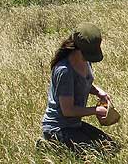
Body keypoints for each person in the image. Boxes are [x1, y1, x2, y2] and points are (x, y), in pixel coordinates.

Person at [40, 22, 118, 155]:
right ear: (78, 48)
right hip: (58, 128)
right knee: (96, 155)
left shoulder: (85, 60)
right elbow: (68, 111)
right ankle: (49, 144)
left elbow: (83, 82)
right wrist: (96, 110)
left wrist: (99, 92)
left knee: (112, 148)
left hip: (75, 125)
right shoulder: (64, 71)